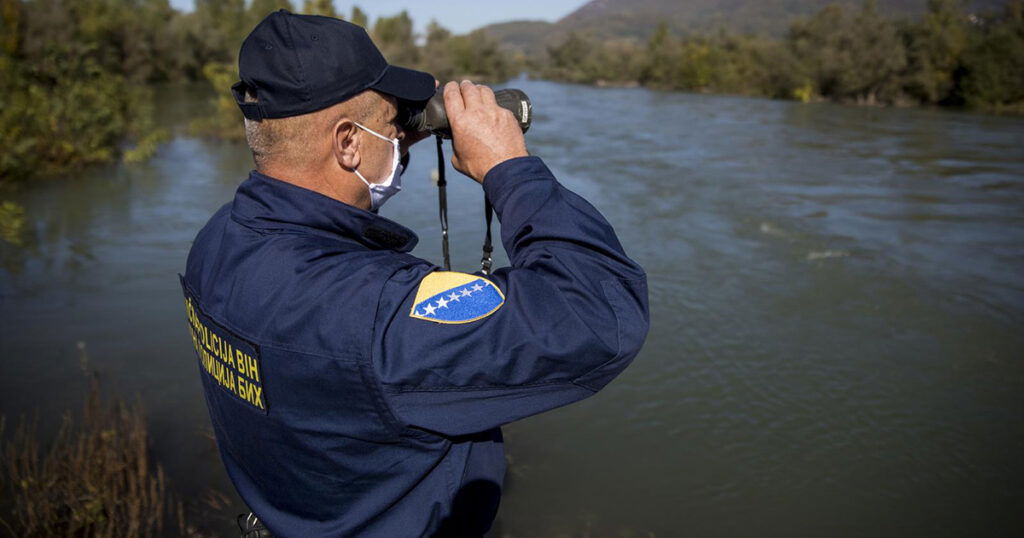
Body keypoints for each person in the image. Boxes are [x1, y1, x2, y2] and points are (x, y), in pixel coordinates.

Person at [181, 10, 649, 538]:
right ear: (346, 144)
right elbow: (598, 311)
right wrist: (508, 169)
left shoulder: (218, 242)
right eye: (389, 124)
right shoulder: (379, 315)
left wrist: (389, 142)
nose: (402, 135)